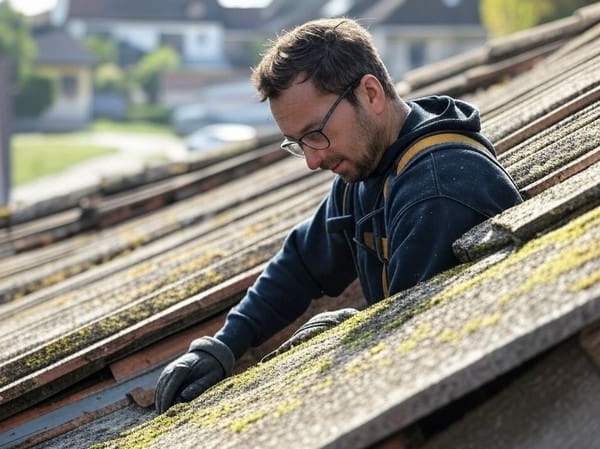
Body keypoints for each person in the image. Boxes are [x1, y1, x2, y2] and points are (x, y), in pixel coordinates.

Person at [154, 17, 522, 413]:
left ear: (370, 94)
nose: (313, 159)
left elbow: (417, 354)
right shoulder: (370, 167)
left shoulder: (437, 191)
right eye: (298, 143)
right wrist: (225, 344)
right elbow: (302, 262)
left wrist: (354, 331)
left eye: (316, 133)